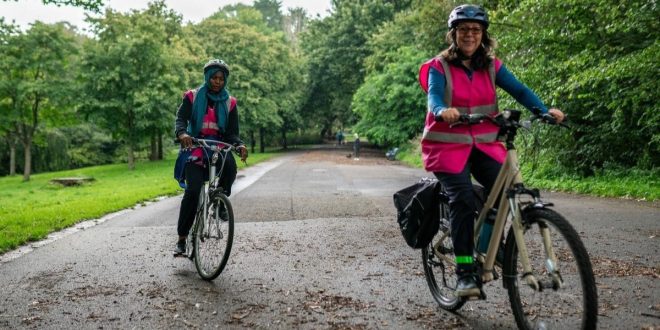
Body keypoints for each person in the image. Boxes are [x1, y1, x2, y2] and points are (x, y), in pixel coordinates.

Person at [417, 4, 564, 297]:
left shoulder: (491, 65)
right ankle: (464, 273)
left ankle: (486, 249)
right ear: (453, 34)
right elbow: (434, 96)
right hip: (447, 148)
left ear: (483, 34)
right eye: (463, 30)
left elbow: (519, 90)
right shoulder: (439, 66)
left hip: (483, 144)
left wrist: (544, 110)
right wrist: (442, 110)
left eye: (475, 30)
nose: (469, 35)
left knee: (503, 188)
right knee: (462, 199)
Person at [173, 59, 248, 256]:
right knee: (193, 190)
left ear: (225, 80)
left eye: (221, 79)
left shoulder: (230, 103)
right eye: (214, 78)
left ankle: (219, 201)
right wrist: (182, 134)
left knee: (230, 167)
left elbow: (232, 133)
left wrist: (239, 145)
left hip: (218, 147)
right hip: (195, 146)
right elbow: (181, 119)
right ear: (207, 77)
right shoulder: (193, 96)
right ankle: (182, 239)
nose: (217, 82)